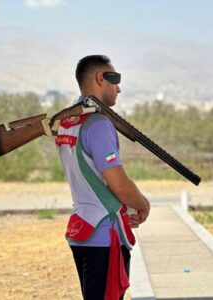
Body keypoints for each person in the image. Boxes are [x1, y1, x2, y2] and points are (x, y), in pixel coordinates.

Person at [55, 55, 151, 300]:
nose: (118, 88)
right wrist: (143, 204)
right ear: (100, 78)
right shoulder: (98, 123)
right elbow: (118, 184)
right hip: (103, 237)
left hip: (83, 231)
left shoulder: (67, 122)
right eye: (115, 80)